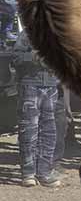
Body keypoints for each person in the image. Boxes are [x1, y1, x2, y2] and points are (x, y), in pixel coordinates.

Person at [14, 30, 62, 187]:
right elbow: (15, 58)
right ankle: (28, 173)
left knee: (49, 132)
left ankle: (44, 173)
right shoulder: (27, 33)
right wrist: (34, 57)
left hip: (51, 87)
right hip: (30, 86)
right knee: (29, 130)